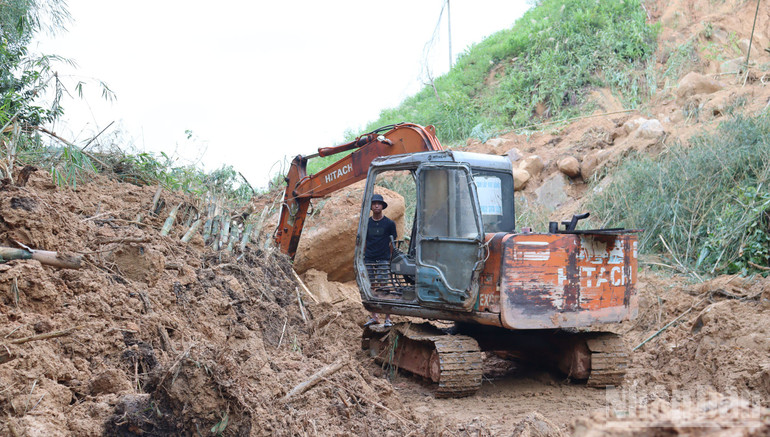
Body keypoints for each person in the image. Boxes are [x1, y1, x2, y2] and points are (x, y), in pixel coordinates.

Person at [363, 193, 397, 327]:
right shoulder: (367, 223)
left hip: (383, 258)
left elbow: (392, 243)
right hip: (370, 258)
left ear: (382, 206)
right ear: (371, 207)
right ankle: (375, 316)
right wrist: (364, 255)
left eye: (379, 203)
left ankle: (387, 318)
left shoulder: (389, 223)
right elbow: (364, 241)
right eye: (374, 203)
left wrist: (389, 258)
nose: (376, 205)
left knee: (384, 287)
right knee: (371, 287)